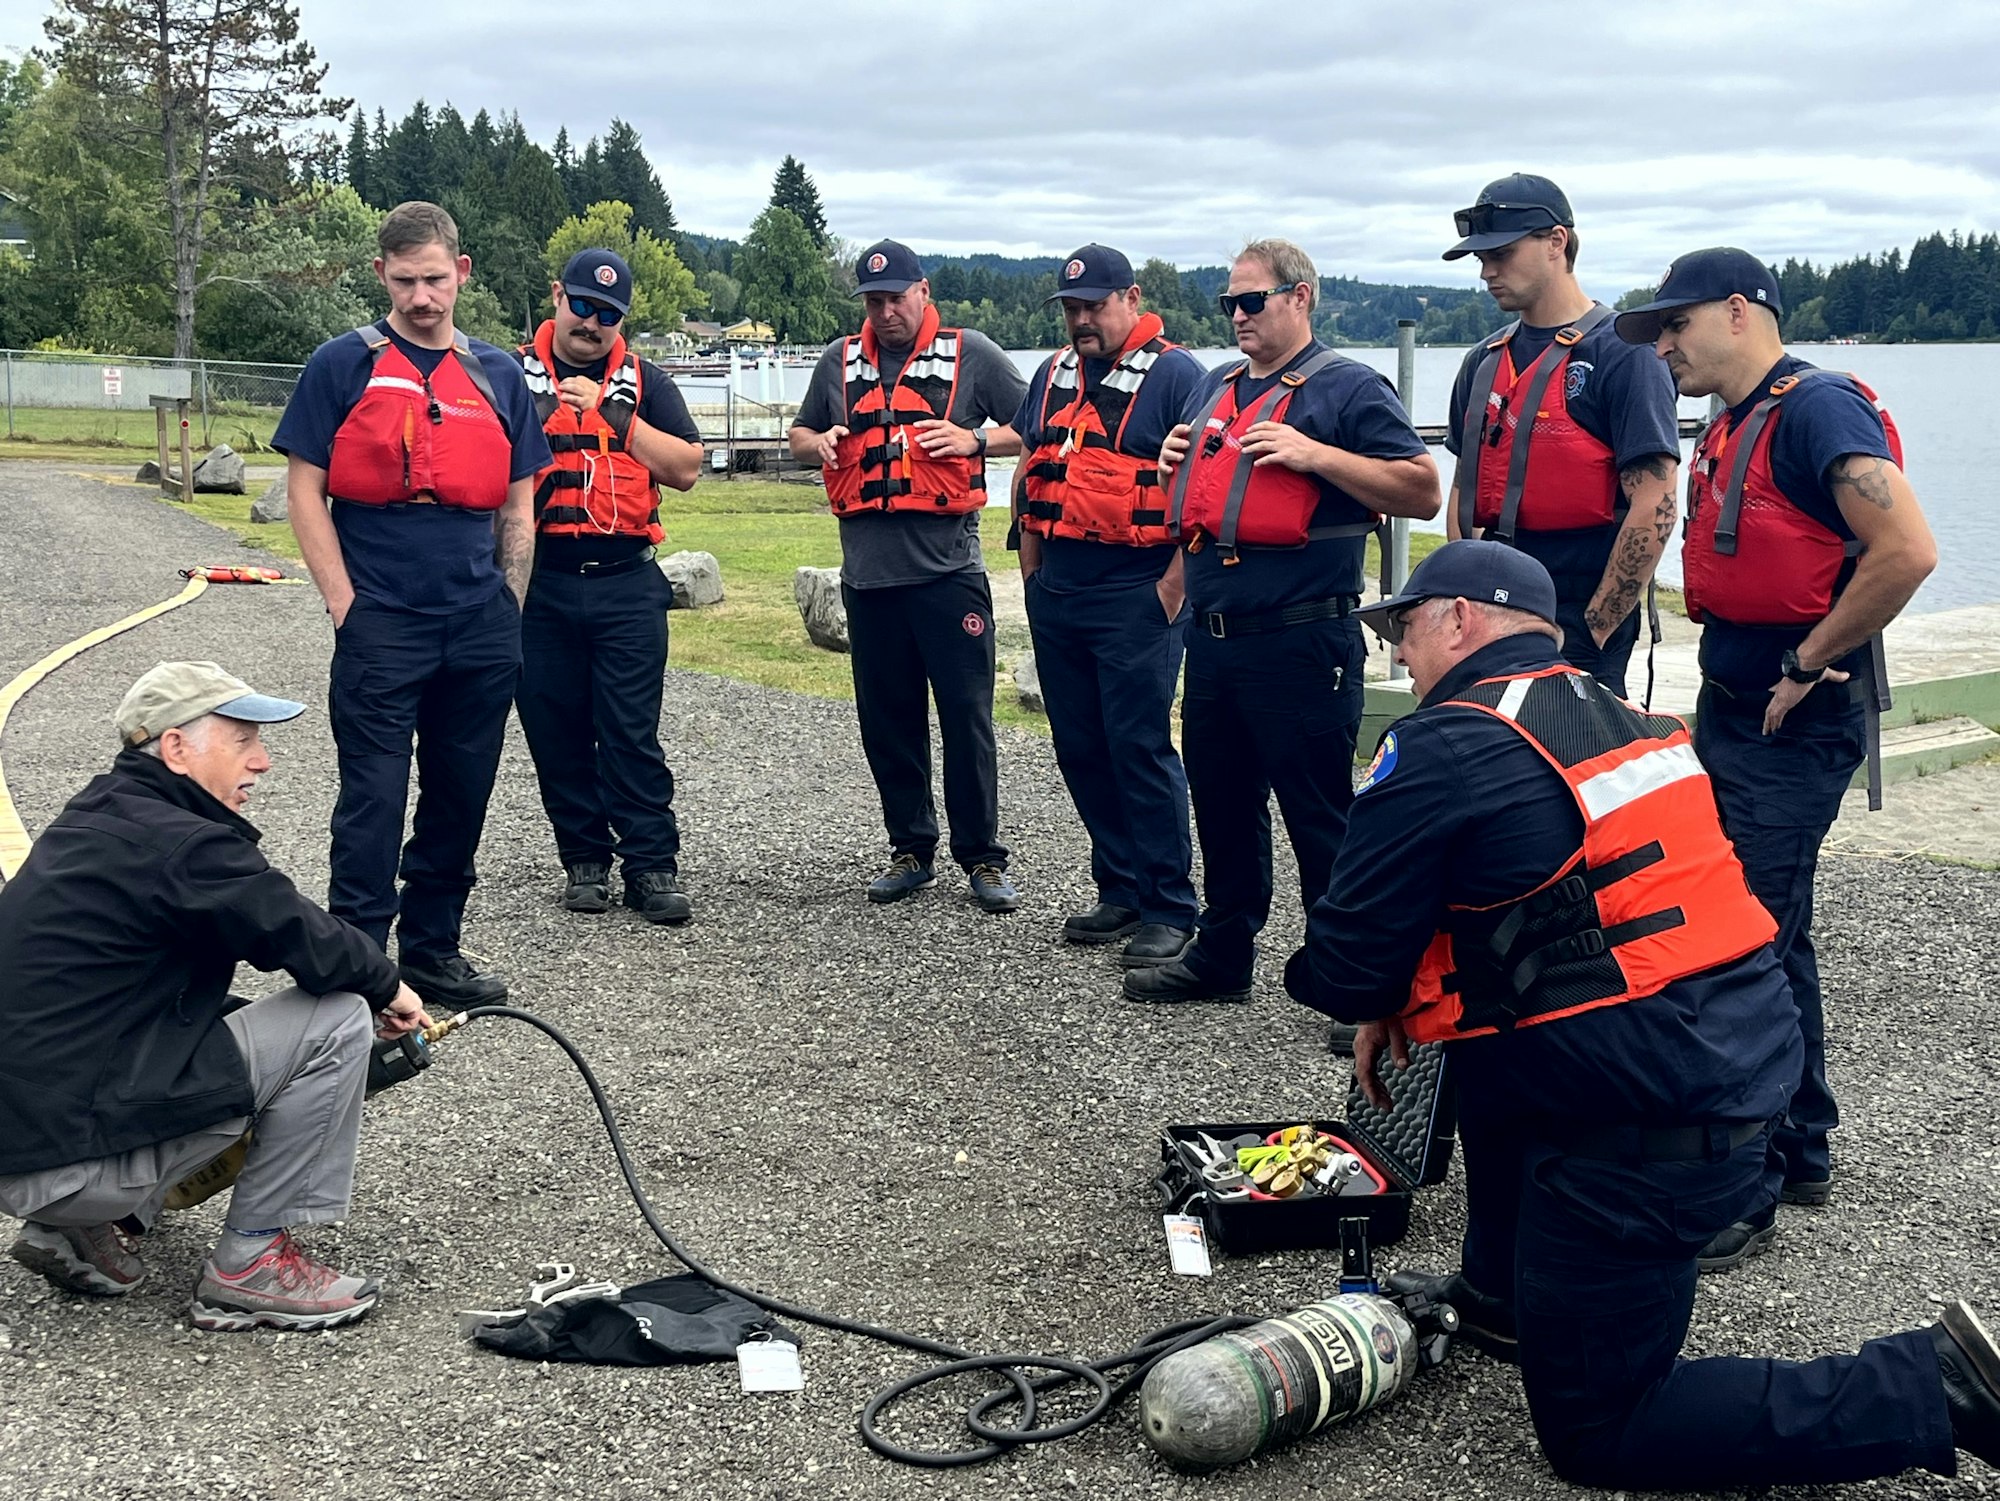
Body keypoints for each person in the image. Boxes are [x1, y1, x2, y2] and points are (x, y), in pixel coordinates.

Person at [1284, 542, 1996, 1492]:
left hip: (1647, 1138)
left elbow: (1342, 963)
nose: (1398, 658)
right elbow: (1548, 926)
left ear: (1459, 619)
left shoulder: (1444, 743)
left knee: (1602, 1433)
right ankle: (1500, 1299)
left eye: (1404, 630)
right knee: (1480, 1048)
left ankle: (1933, 1388)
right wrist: (1400, 1000)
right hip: (1735, 1064)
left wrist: (1368, 991)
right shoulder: (1620, 713)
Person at [1615, 249, 1936, 1265]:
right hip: (1736, 697)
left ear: (1740, 312)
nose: (1662, 344)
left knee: (1737, 944)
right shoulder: (1736, 416)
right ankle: (1796, 1146)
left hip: (1793, 708)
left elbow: (1907, 549)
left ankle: (1742, 1185)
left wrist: (1805, 659)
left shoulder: (1815, 409)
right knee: (1766, 930)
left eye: (1676, 323)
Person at [0, 662, 429, 1331]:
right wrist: (389, 986)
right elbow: (298, 931)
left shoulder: (106, 813)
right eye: (241, 741)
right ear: (175, 747)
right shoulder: (183, 842)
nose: (261, 761)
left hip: (27, 1139)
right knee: (337, 1019)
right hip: (64, 1158)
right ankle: (249, 1263)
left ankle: (79, 1228)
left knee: (226, 1026)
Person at [1131, 238, 1439, 1011]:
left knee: (1321, 817)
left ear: (1300, 298)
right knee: (1222, 801)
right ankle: (1224, 952)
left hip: (1304, 640)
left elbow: (1421, 489)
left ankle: (1351, 980)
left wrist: (1314, 453)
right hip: (1217, 637)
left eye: (1251, 300)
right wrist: (1177, 457)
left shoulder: (1348, 389)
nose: (1236, 315)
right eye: (1228, 303)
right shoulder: (1216, 387)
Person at [274, 201, 552, 1010]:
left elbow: (518, 502)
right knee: (372, 796)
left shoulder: (498, 375)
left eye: (434, 280)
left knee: (461, 791)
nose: (422, 298)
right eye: (405, 283)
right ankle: (357, 964)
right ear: (381, 276)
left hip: (479, 623)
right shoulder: (342, 365)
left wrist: (510, 605)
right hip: (381, 620)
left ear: (461, 273)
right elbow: (304, 488)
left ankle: (434, 948)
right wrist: (343, 605)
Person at [788, 239, 1029, 913]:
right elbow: (800, 434)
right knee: (888, 721)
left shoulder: (971, 353)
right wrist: (821, 444)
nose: (887, 311)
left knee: (966, 718)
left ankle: (982, 857)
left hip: (948, 574)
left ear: (923, 292)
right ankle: (910, 849)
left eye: (897, 296)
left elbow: (1039, 421)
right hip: (869, 580)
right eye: (874, 300)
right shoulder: (840, 361)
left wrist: (975, 439)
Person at [1011, 245, 1204, 967]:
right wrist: (1033, 576)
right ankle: (1118, 884)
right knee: (1080, 745)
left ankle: (1168, 905)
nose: (1082, 319)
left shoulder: (1178, 375)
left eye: (1095, 305)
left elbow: (1205, 492)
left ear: (1132, 298)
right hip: (1059, 586)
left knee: (1139, 745)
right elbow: (1033, 472)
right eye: (1071, 308)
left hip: (1137, 589)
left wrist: (1171, 590)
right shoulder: (1053, 374)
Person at [512, 249, 703, 926]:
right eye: (583, 307)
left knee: (630, 732)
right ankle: (584, 860)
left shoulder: (646, 383)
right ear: (558, 296)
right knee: (554, 729)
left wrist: (614, 418)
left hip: (625, 581)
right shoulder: (510, 375)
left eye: (608, 314)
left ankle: (653, 867)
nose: (592, 323)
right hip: (542, 585)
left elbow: (686, 467)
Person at [1441, 172, 1680, 698]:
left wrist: (1594, 630)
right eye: (1481, 259)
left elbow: (1656, 503)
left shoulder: (1624, 355)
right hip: (1489, 617)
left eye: (1501, 253)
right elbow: (1465, 489)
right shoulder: (1482, 362)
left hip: (1578, 619)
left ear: (1556, 242)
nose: (1486, 271)